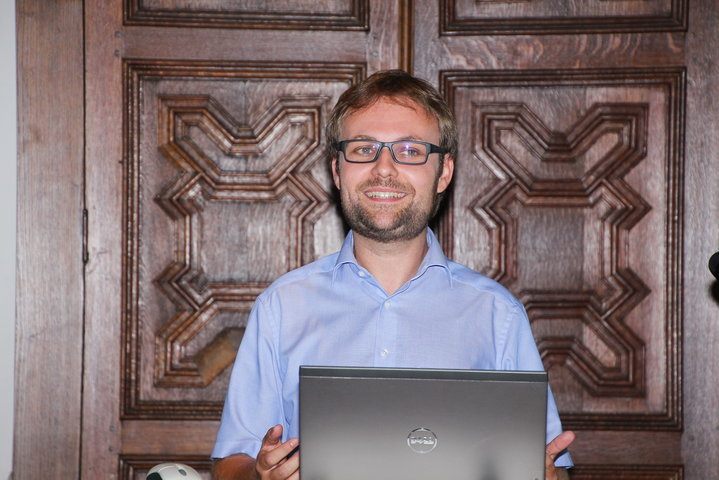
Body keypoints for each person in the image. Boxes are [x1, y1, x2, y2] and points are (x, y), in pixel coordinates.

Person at [211, 70, 575, 480]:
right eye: (363, 149)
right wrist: (260, 475)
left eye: (410, 150)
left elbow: (550, 468)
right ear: (337, 170)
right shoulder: (281, 307)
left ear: (444, 172)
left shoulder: (497, 315)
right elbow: (230, 465)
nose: (383, 168)